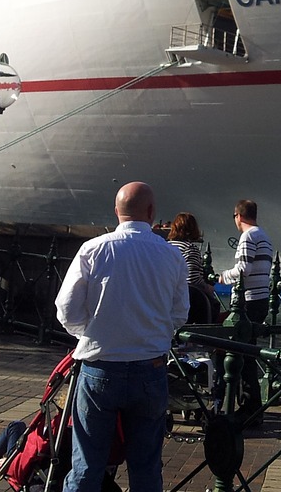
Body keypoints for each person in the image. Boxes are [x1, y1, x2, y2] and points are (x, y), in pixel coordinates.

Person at [55, 182, 188, 492]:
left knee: (87, 464)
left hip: (101, 366)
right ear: (152, 213)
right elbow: (180, 314)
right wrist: (155, 333)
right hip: (150, 369)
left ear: (116, 212)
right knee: (145, 466)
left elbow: (65, 308)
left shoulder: (94, 248)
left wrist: (89, 332)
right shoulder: (172, 256)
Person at [218, 198, 274, 424]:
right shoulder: (265, 237)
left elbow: (243, 269)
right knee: (249, 352)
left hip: (247, 302)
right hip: (261, 299)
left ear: (238, 216)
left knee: (241, 354)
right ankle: (250, 405)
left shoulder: (247, 237)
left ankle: (250, 407)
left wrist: (222, 277)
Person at [167, 212, 221, 323]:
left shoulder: (166, 247)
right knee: (214, 305)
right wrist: (207, 287)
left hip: (167, 294)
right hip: (187, 297)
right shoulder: (190, 249)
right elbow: (192, 278)